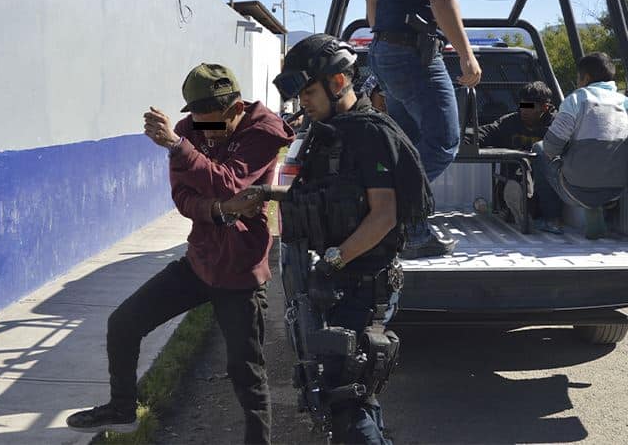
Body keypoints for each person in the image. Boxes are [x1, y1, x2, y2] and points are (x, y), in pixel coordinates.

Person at [66, 63, 294, 443]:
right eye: (195, 121)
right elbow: (184, 195)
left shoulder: (263, 131)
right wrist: (221, 209)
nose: (201, 129)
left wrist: (180, 148)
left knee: (247, 373)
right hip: (201, 260)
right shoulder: (192, 129)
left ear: (236, 108)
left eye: (211, 121)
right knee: (123, 323)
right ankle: (123, 408)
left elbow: (229, 181)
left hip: (240, 268)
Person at [263, 34, 433, 444]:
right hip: (329, 282)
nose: (302, 101)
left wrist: (332, 263)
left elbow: (384, 217)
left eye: (308, 91)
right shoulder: (320, 133)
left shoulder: (369, 133)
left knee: (347, 395)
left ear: (338, 83)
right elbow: (293, 191)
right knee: (346, 390)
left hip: (362, 284)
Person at [366, 0, 480, 258]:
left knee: (408, 144)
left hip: (385, 52)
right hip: (413, 55)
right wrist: (466, 54)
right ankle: (393, 217)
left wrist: (383, 37)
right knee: (444, 141)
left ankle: (406, 225)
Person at [532, 52, 628, 238]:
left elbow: (551, 148)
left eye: (578, 78)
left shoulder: (577, 99)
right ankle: (596, 211)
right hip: (616, 190)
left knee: (539, 149)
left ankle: (551, 219)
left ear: (585, 78)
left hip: (576, 189)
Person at [475, 81, 564, 232]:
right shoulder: (510, 122)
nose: (524, 111)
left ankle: (526, 212)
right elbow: (485, 133)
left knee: (538, 161)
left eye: (530, 106)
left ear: (545, 107)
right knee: (519, 167)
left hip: (544, 188)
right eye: (523, 105)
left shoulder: (558, 125)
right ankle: (518, 209)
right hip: (514, 180)